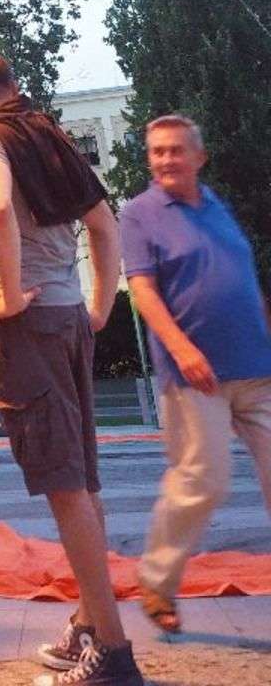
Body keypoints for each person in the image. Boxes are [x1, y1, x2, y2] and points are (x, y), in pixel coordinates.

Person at [0, 51, 141, 686]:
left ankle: (113, 656)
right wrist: (99, 306)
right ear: (15, 88)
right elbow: (104, 223)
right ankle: (89, 625)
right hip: (68, 318)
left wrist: (4, 296)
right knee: (83, 480)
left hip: (32, 324)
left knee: (64, 484)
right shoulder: (51, 133)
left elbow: (1, 209)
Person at [119, 112, 271, 636]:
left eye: (176, 150)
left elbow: (241, 282)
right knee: (201, 481)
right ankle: (157, 582)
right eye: (157, 151)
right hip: (195, 374)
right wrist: (181, 349)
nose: (165, 159)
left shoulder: (217, 209)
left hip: (255, 367)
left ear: (198, 157)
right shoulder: (138, 214)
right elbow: (142, 291)